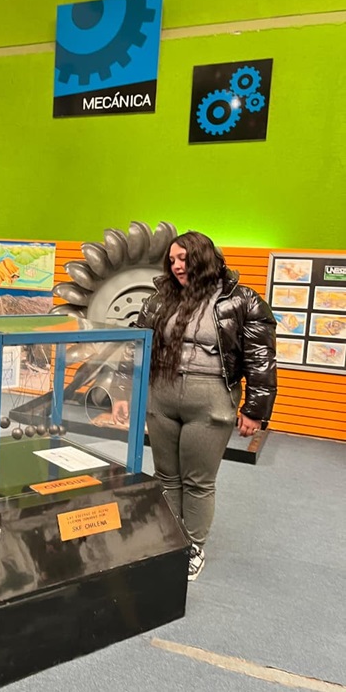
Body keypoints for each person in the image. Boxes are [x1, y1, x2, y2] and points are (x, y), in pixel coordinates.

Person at [113, 231, 276, 581]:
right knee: (166, 475)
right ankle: (170, 539)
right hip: (161, 396)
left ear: (204, 258)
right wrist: (121, 391)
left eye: (183, 259)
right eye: (172, 260)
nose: (176, 266)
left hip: (211, 401)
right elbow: (135, 347)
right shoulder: (159, 300)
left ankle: (193, 547)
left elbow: (261, 359)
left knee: (198, 480)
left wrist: (255, 409)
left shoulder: (242, 300)